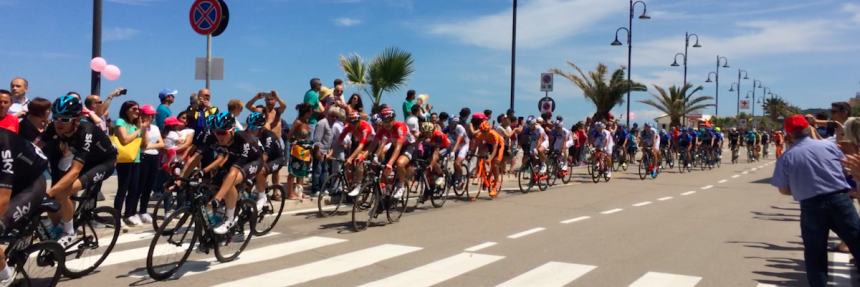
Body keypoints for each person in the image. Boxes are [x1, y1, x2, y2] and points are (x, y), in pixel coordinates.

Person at [772, 114, 860, 287]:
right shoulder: (829, 146)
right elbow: (844, 169)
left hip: (811, 206)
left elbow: (783, 189)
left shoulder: (786, 158)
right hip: (839, 199)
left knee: (815, 255)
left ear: (789, 134)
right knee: (857, 241)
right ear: (808, 128)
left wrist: (802, 187)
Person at [39, 96, 117, 246]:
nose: (59, 123)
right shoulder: (53, 127)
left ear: (76, 119)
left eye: (65, 119)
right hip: (85, 161)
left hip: (104, 162)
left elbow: (75, 172)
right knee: (56, 195)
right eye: (56, 118)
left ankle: (69, 232)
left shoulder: (86, 132)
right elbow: (36, 148)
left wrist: (50, 193)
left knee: (62, 192)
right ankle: (59, 227)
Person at [0, 128, 49, 283]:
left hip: (32, 183)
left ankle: (6, 277)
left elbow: (3, 198)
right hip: (15, 179)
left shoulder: (3, 144)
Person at [203, 112, 262, 234]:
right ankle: (234, 203)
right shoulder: (221, 139)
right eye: (216, 132)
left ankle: (230, 219)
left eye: (222, 133)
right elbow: (221, 158)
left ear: (232, 131)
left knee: (229, 181)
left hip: (253, 161)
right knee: (216, 181)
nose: (219, 136)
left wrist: (217, 199)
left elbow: (234, 172)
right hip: (236, 157)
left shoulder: (243, 140)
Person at [113, 101, 147, 226]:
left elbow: (144, 144)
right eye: (134, 109)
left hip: (136, 159)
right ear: (126, 110)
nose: (137, 111)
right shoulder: (120, 122)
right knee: (122, 189)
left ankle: (129, 214)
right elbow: (124, 139)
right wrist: (138, 130)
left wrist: (143, 129)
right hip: (124, 160)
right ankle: (117, 216)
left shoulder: (135, 125)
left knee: (134, 189)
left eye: (138, 109)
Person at [374, 107, 412, 198]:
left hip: (407, 147)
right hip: (394, 146)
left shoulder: (400, 126)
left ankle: (401, 186)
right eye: (384, 120)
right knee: (383, 169)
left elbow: (399, 147)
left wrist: (390, 163)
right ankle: (387, 191)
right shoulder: (383, 128)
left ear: (393, 119)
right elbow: (374, 143)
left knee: (399, 164)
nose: (386, 123)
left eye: (388, 120)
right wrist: (374, 156)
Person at [136, 105, 163, 224]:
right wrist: (144, 127)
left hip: (154, 156)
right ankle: (132, 211)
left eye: (152, 115)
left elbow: (161, 144)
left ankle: (143, 210)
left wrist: (151, 146)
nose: (151, 117)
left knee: (149, 186)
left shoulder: (156, 128)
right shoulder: (139, 127)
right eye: (148, 115)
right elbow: (143, 144)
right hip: (144, 156)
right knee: (140, 185)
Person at [342, 112, 374, 196]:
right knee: (348, 163)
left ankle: (358, 185)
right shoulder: (349, 126)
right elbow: (339, 139)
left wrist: (350, 158)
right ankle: (350, 182)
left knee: (359, 159)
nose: (352, 125)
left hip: (370, 144)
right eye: (351, 123)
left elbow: (361, 146)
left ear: (359, 121)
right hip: (358, 142)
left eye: (354, 123)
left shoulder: (365, 127)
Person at [287, 104, 314, 200]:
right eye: (310, 112)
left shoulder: (306, 122)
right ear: (305, 112)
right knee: (293, 172)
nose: (311, 114)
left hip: (306, 150)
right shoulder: (297, 122)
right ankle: (290, 193)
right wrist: (296, 143)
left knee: (302, 172)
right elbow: (289, 136)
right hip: (297, 150)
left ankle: (299, 192)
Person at [474, 121, 504, 197]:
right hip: (488, 144)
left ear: (488, 130)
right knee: (480, 156)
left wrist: (490, 159)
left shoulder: (493, 134)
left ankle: (496, 184)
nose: (483, 133)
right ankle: (480, 174)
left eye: (485, 131)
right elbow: (476, 146)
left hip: (499, 145)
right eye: (482, 131)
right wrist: (471, 153)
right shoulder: (480, 135)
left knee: (495, 163)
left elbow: (494, 149)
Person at [311, 108, 335, 197]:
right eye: (332, 116)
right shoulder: (322, 123)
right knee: (317, 171)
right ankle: (315, 189)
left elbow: (331, 140)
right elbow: (317, 139)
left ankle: (322, 188)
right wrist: (317, 152)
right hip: (319, 150)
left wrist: (330, 152)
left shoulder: (332, 125)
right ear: (328, 115)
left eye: (336, 117)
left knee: (325, 171)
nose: (334, 118)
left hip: (326, 152)